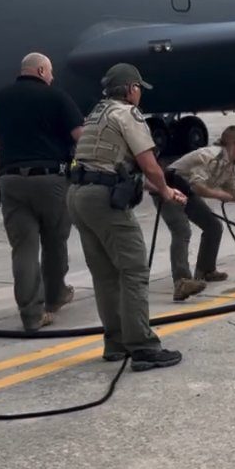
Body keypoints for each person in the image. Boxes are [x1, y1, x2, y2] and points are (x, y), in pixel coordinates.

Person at [67, 63, 188, 371]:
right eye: (138, 89)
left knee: (105, 274)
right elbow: (148, 164)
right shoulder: (127, 114)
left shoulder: (97, 113)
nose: (139, 95)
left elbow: (110, 165)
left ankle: (115, 343)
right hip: (103, 200)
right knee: (133, 270)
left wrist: (163, 190)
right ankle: (144, 347)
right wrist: (165, 189)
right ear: (131, 89)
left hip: (78, 194)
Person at [0, 52, 84, 331]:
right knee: (55, 242)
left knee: (23, 249)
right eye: (50, 72)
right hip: (50, 180)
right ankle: (54, 298)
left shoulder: (0, 98)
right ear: (41, 70)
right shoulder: (57, 97)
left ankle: (31, 314)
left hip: (11, 181)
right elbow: (80, 136)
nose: (52, 77)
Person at [159, 125, 235, 301]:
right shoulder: (210, 156)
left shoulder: (229, 165)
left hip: (187, 192)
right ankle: (182, 282)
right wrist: (220, 195)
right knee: (181, 230)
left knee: (213, 226)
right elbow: (197, 185)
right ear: (234, 144)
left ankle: (206, 270)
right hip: (168, 189)